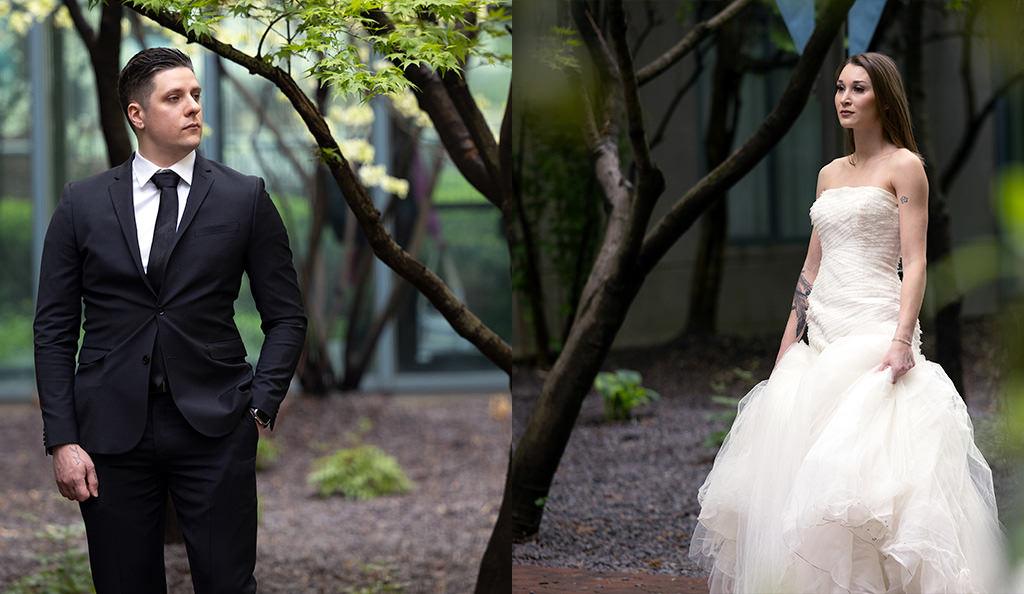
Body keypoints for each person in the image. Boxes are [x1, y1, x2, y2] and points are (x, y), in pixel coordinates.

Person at [687, 52, 1008, 593]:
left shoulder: (906, 166)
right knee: (803, 477)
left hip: (874, 329)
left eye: (857, 89)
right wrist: (788, 346)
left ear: (882, 98)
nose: (843, 97)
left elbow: (917, 260)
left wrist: (902, 339)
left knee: (867, 478)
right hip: (824, 331)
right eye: (839, 87)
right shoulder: (828, 174)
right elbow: (812, 266)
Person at [33, 47, 306, 593]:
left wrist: (259, 405)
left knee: (229, 585)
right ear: (137, 115)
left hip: (215, 425)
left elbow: (287, 317)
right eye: (175, 98)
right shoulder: (81, 203)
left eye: (197, 96)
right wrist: (63, 439)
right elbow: (54, 329)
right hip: (109, 435)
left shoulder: (243, 197)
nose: (193, 109)